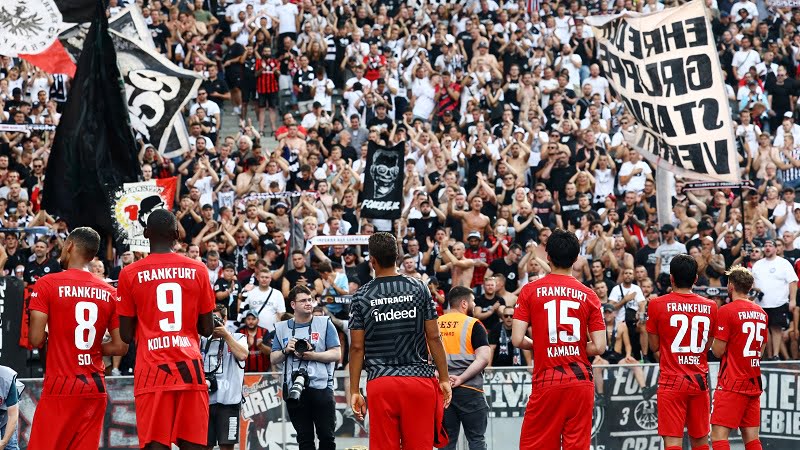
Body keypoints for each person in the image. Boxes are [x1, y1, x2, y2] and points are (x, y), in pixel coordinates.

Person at [117, 209, 216, 450]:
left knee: (155, 445)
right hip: (190, 366)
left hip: (151, 369)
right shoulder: (199, 269)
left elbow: (126, 335)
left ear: (146, 233)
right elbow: (207, 328)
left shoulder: (129, 273)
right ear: (176, 234)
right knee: (194, 444)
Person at [27, 227, 128, 450]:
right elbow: (121, 346)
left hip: (61, 385)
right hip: (94, 387)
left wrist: (61, 339)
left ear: (70, 245)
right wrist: (92, 347)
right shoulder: (109, 291)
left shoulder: (47, 283)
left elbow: (35, 338)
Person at [348, 232, 452, 449]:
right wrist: (444, 378)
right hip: (418, 380)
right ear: (397, 257)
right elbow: (434, 336)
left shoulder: (361, 296)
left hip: (381, 381)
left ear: (372, 260)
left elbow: (357, 347)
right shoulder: (419, 287)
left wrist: (355, 390)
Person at [512, 229, 606, 450]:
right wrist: (573, 347)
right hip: (580, 381)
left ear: (547, 256)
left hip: (548, 379)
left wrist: (542, 345)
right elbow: (599, 346)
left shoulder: (529, 290)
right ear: (576, 258)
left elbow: (517, 339)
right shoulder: (589, 294)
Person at [646, 254, 718, 450]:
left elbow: (654, 347)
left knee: (672, 442)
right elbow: (707, 345)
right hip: (699, 380)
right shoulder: (711, 306)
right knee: (701, 440)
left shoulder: (656, 304)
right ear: (696, 279)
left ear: (671, 278)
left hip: (671, 380)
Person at [270, 286, 341, 450]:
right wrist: (286, 350)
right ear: (293, 305)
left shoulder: (324, 323)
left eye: (310, 300)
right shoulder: (282, 328)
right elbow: (273, 358)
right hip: (294, 389)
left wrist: (313, 355)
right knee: (304, 440)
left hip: (321, 387)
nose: (308, 303)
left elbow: (336, 353)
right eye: (303, 301)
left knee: (327, 437)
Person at [710, 266, 768, 450]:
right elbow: (761, 350)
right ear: (749, 287)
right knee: (752, 439)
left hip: (731, 382)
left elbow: (718, 351)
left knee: (718, 436)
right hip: (753, 382)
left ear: (730, 285)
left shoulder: (726, 310)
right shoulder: (762, 313)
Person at [438, 286, 491, 450]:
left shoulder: (434, 324)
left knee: (446, 442)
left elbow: (424, 360)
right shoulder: (473, 324)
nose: (474, 305)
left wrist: (443, 376)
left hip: (443, 391)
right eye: (473, 301)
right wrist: (461, 378)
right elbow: (483, 358)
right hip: (470, 390)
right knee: (476, 440)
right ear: (464, 303)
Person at [201, 305, 248, 450]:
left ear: (225, 319)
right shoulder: (201, 340)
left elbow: (243, 355)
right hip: (205, 402)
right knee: (204, 445)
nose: (213, 323)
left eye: (217, 319)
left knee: (226, 446)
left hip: (229, 402)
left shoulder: (238, 337)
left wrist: (226, 335)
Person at [751, 238, 797, 360]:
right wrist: (754, 293)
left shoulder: (783, 263)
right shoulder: (758, 264)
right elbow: (752, 283)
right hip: (760, 303)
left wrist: (792, 300)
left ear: (776, 249)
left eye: (770, 246)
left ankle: (776, 354)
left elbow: (793, 281)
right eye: (766, 246)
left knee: (776, 328)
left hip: (778, 302)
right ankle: (765, 355)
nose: (767, 248)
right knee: (762, 330)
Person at [0, 366, 19, 450]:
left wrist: (4, 442)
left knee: (10, 445)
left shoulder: (6, 377)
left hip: (6, 412)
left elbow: (13, 415)